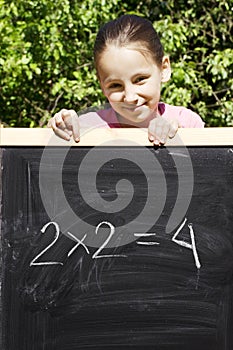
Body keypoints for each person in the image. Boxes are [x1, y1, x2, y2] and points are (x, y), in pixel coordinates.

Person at [48, 14, 204, 146]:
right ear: (101, 84)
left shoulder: (187, 123)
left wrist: (178, 136)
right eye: (115, 85)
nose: (129, 97)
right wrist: (58, 129)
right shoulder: (85, 128)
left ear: (164, 69)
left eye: (140, 79)